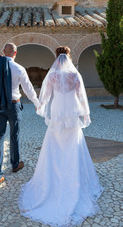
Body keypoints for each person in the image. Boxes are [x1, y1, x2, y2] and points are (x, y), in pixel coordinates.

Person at [18, 46, 103, 226]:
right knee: (74, 144)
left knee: (55, 143)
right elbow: (81, 96)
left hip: (57, 113)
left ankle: (53, 175)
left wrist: (40, 106)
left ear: (56, 57)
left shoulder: (53, 75)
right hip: (71, 113)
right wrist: (85, 113)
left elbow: (47, 95)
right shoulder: (75, 76)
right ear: (69, 57)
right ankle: (73, 175)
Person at [0, 43, 39, 185]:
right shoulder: (19, 68)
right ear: (15, 53)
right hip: (14, 105)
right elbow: (28, 89)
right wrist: (37, 104)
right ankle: (14, 165)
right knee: (15, 135)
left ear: (3, 51)